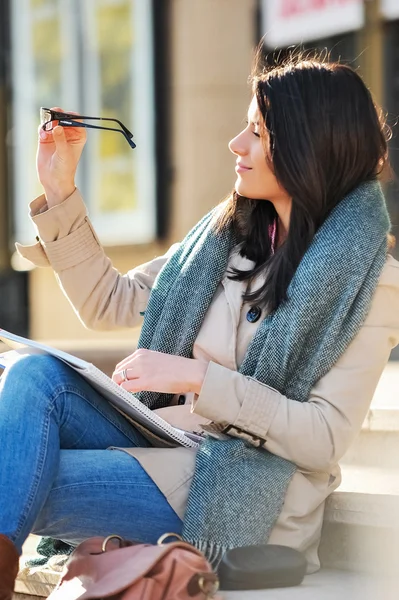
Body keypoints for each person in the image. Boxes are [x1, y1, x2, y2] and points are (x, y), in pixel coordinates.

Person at [1, 50, 399, 598]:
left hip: (244, 488)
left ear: (311, 147)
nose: (237, 144)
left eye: (258, 133)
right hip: (168, 440)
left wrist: (197, 379)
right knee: (33, 375)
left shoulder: (373, 282)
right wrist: (61, 189)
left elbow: (323, 438)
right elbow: (108, 302)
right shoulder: (224, 240)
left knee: (23, 474)